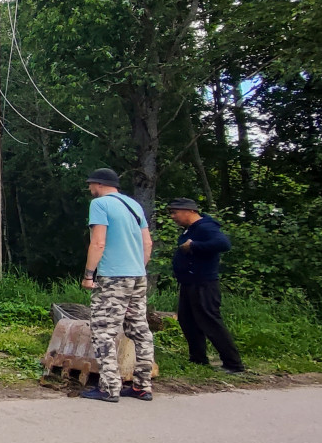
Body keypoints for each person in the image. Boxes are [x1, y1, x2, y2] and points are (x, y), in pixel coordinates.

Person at [80, 168, 156, 403]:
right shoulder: (134, 205)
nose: (89, 189)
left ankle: (109, 387)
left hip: (113, 277)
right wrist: (138, 268)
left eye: (90, 184)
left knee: (103, 331)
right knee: (140, 329)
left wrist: (89, 275)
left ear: (99, 184)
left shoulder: (100, 204)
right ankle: (142, 386)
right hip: (138, 276)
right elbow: (147, 243)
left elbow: (98, 242)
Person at [168, 197, 244, 373]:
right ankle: (198, 359)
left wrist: (194, 245)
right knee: (188, 321)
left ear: (190, 211)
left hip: (204, 283)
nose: (172, 216)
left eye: (175, 212)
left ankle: (233, 364)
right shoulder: (192, 229)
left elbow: (223, 244)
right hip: (190, 282)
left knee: (210, 321)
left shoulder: (206, 227)